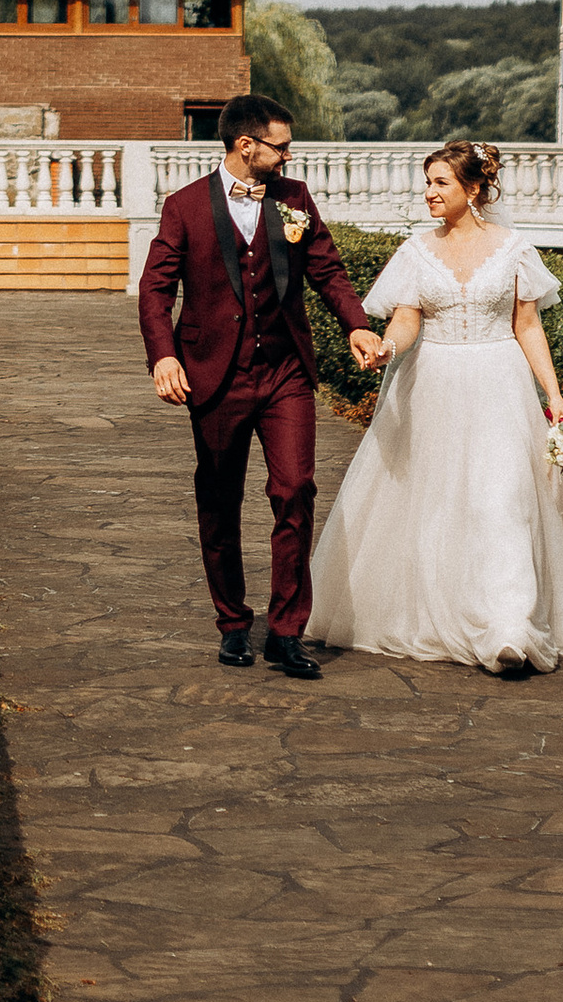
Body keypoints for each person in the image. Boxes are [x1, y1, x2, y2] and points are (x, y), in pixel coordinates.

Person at [308, 135, 563, 677]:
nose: (429, 194)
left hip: (499, 387)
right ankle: (449, 610)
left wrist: (553, 398)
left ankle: (509, 628)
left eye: (441, 183)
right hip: (433, 385)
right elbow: (407, 320)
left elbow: (527, 326)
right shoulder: (417, 251)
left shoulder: (513, 249)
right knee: (439, 504)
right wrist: (386, 347)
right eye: (428, 183)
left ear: (475, 188)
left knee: (502, 501)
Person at [138, 91, 386, 678]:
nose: (290, 155)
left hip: (285, 373)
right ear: (245, 146)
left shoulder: (295, 199)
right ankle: (231, 624)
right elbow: (155, 291)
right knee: (219, 500)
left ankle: (284, 631)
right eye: (281, 146)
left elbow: (325, 265)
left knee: (296, 487)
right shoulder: (184, 207)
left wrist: (355, 324)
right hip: (213, 375)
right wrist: (163, 357)